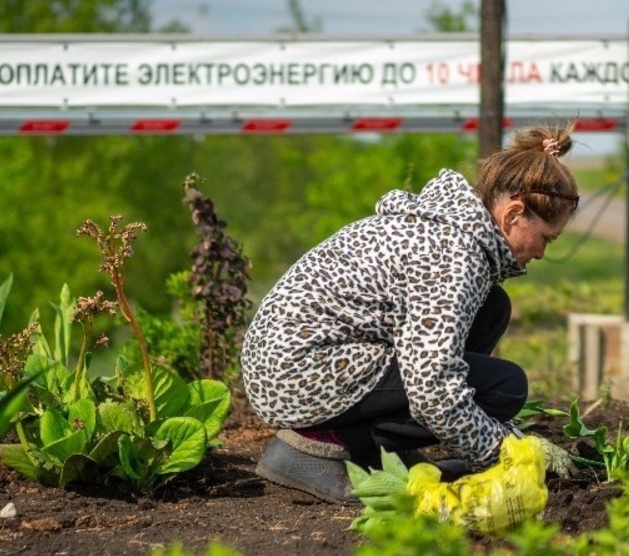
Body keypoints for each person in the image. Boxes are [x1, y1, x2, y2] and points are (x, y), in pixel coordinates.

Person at [241, 122, 582, 504]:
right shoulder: (454, 255)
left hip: (297, 361)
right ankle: (311, 447)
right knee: (504, 387)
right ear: (514, 214)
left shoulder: (448, 229)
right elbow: (432, 390)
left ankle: (380, 451)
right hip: (298, 376)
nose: (540, 253)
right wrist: (508, 451)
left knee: (490, 308)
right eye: (545, 238)